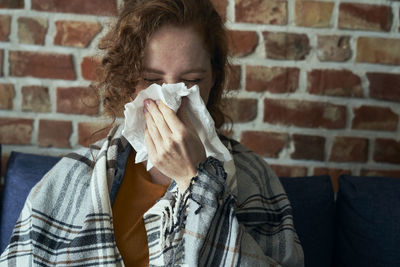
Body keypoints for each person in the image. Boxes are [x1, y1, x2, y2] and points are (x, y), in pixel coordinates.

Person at [0, 0, 304, 266]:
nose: (170, 100)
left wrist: (196, 181)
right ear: (128, 83)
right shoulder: (72, 179)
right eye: (151, 80)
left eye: (192, 80)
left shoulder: (253, 177)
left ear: (214, 81)